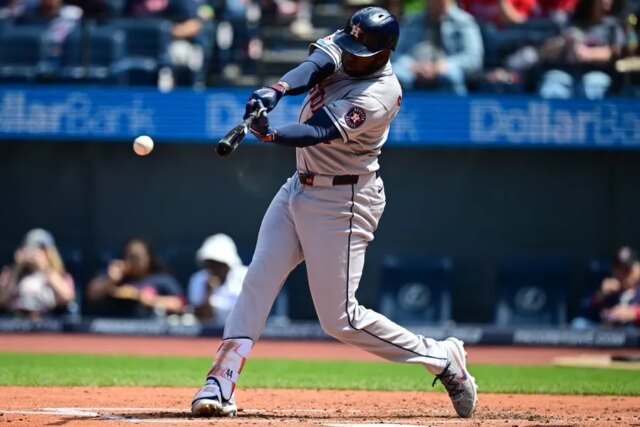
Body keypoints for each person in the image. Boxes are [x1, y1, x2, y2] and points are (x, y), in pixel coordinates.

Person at [190, 6, 477, 419]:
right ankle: (220, 380)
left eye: (360, 52)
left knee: (340, 319)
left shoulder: (380, 94)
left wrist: (270, 134)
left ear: (384, 53)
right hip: (299, 186)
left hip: (343, 202)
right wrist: (275, 90)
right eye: (349, 46)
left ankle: (442, 358)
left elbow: (317, 130)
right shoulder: (348, 48)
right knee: (258, 280)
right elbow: (313, 67)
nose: (349, 55)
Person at [392, 0, 484, 95]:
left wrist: (443, 66)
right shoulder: (411, 21)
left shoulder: (465, 22)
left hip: (447, 73)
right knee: (398, 75)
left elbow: (473, 58)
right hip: (414, 69)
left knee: (450, 76)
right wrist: (413, 66)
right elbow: (394, 53)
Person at [84, 237, 185, 318]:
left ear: (149, 258)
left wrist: (149, 299)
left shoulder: (162, 279)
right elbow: (91, 295)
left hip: (150, 330)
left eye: (138, 257)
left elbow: (180, 304)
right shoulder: (115, 277)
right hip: (113, 329)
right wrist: (110, 281)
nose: (134, 262)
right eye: (131, 257)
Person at [0, 228, 75, 319]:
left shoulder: (60, 274)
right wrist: (17, 268)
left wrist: (45, 269)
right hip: (15, 321)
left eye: (41, 249)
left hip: (48, 322)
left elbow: (68, 298)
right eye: (31, 248)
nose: (35, 253)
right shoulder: (10, 272)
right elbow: (2, 299)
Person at [572, 246, 640, 328]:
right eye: (619, 269)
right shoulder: (606, 285)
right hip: (608, 331)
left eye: (627, 270)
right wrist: (600, 295)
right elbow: (583, 310)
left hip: (634, 331)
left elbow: (634, 313)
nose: (623, 274)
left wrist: (634, 313)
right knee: (578, 323)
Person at [187, 234, 247, 324]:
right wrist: (208, 293)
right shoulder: (198, 279)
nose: (213, 268)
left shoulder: (245, 277)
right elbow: (203, 317)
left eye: (218, 264)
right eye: (210, 263)